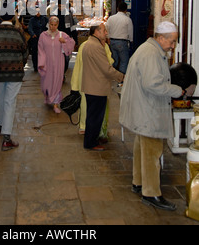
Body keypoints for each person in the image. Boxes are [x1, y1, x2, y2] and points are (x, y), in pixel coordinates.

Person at [119, 21, 190, 211]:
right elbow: (154, 84)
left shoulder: (148, 49)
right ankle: (151, 193)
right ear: (160, 38)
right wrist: (176, 90)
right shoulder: (151, 54)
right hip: (148, 110)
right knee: (152, 151)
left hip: (143, 108)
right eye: (172, 41)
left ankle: (138, 181)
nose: (173, 45)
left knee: (142, 147)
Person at [0, 14, 29, 151]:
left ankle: (1, 124)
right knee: (9, 102)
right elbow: (25, 53)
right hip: (15, 74)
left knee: (0, 99)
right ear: (13, 18)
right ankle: (6, 138)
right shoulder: (19, 33)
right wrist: (20, 64)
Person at [82, 22, 124, 151]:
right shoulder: (95, 46)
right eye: (104, 31)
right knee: (95, 117)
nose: (106, 33)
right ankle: (91, 142)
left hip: (93, 86)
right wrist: (122, 77)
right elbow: (106, 69)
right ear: (96, 32)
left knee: (93, 115)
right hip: (96, 87)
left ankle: (91, 139)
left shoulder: (90, 44)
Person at [71, 33, 114, 140]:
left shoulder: (84, 45)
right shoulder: (103, 47)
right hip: (98, 82)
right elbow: (109, 63)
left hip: (84, 80)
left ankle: (83, 126)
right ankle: (95, 129)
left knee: (85, 104)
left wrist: (74, 85)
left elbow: (77, 66)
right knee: (97, 106)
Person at [38, 16, 75, 114]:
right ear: (48, 24)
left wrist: (65, 42)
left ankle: (55, 104)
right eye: (51, 24)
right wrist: (41, 62)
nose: (53, 27)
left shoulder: (62, 35)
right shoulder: (43, 35)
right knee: (46, 83)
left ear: (57, 25)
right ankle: (48, 96)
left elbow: (72, 43)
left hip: (59, 63)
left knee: (57, 82)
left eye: (55, 25)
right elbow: (40, 50)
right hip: (47, 63)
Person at [106, 1, 133, 74]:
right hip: (122, 42)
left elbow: (107, 28)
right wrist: (131, 40)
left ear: (117, 8)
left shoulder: (111, 18)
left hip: (112, 41)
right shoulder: (127, 19)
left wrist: (108, 38)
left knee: (114, 60)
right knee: (124, 61)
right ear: (126, 10)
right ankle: (120, 78)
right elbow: (130, 32)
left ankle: (112, 75)